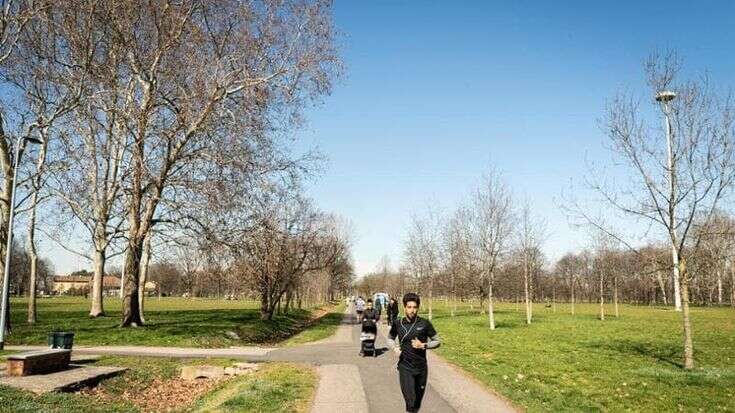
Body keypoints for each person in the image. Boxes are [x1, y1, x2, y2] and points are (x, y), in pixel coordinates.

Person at [388, 293, 440, 413]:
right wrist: (395, 348)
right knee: (410, 400)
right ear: (404, 307)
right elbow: (390, 338)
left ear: (418, 307)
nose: (412, 310)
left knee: (417, 402)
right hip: (405, 366)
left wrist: (423, 345)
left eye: (415, 307)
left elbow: (437, 341)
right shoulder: (398, 323)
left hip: (421, 367)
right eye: (409, 307)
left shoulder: (424, 323)